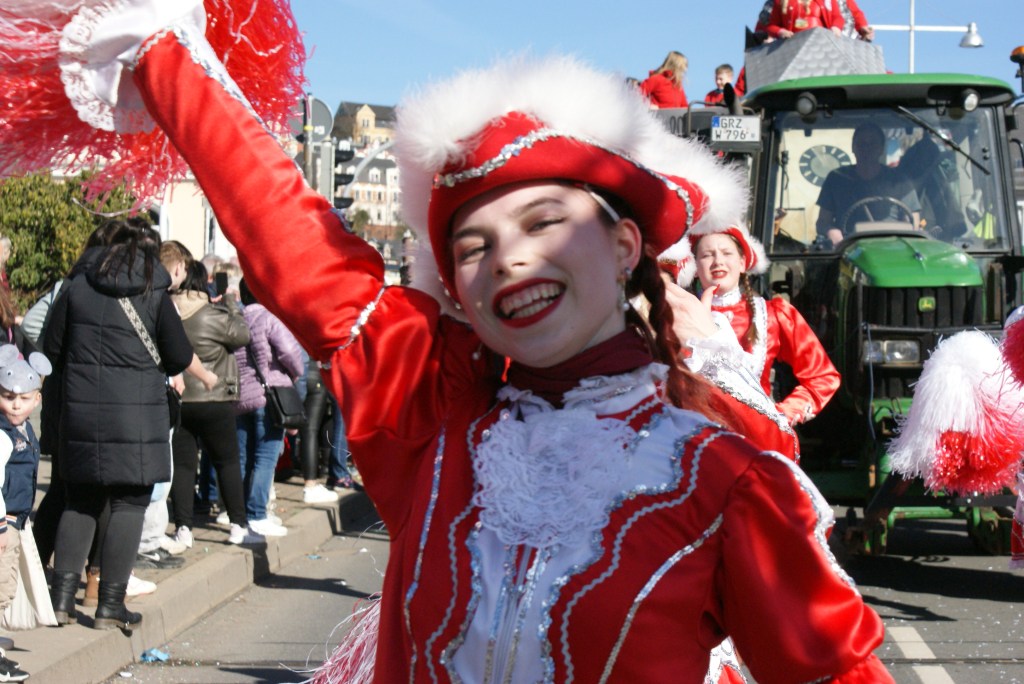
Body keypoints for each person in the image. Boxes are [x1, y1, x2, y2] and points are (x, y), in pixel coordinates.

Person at [36, 6, 892, 680]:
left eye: (545, 221)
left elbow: (831, 671)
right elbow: (302, 255)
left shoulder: (725, 478)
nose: (510, 256)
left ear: (626, 247)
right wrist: (164, 57)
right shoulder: (439, 422)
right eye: (472, 246)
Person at [44, 219, 193, 633]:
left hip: (82, 412)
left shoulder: (77, 287)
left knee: (80, 499)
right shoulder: (154, 292)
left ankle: (60, 600)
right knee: (129, 503)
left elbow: (49, 348)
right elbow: (179, 357)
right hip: (138, 416)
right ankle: (110, 605)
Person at [682, 225, 841, 429]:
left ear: (742, 263)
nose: (718, 261)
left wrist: (783, 415)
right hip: (697, 441)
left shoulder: (773, 315)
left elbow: (823, 377)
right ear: (695, 267)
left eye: (726, 253)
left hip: (756, 441)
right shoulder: (679, 316)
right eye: (707, 255)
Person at [170, 258, 259, 547]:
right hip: (214, 396)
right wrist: (231, 303)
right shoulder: (213, 313)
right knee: (227, 462)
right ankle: (237, 523)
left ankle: (183, 528)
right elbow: (242, 335)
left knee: (183, 467)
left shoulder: (169, 310)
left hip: (181, 397)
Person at [234, 279, 304, 537]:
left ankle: (239, 514)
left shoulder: (235, 319)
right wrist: (292, 376)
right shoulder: (270, 319)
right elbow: (290, 353)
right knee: (266, 458)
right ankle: (257, 514)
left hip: (241, 397)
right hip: (269, 396)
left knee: (244, 458)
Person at [0, 345, 50, 683]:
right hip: (3, 526)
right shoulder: (3, 435)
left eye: (23, 398)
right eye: (7, 397)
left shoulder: (24, 430)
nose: (15, 404)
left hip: (16, 522)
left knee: (6, 588)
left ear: (37, 400)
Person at [815, 122, 923, 245]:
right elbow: (823, 222)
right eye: (861, 144)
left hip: (893, 249)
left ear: (881, 148)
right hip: (849, 248)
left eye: (872, 143)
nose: (866, 148)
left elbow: (912, 222)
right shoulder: (836, 179)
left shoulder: (899, 180)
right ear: (853, 148)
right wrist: (832, 232)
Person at [765, 0, 844, 39]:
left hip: (821, 41)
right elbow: (771, 26)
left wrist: (836, 27)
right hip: (794, 44)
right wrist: (781, 32)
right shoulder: (780, 1)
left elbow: (837, 17)